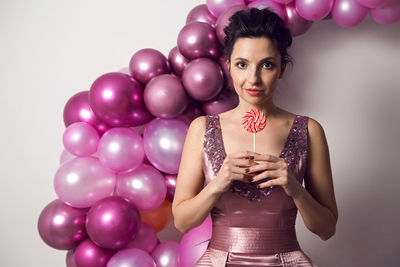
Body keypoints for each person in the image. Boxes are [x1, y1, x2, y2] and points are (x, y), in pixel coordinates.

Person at [172, 7, 338, 267]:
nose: (253, 79)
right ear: (228, 67)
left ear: (282, 69)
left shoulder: (309, 130)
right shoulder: (203, 128)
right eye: (242, 64)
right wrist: (219, 182)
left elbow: (327, 229)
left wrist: (295, 189)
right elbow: (182, 222)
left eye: (267, 65)